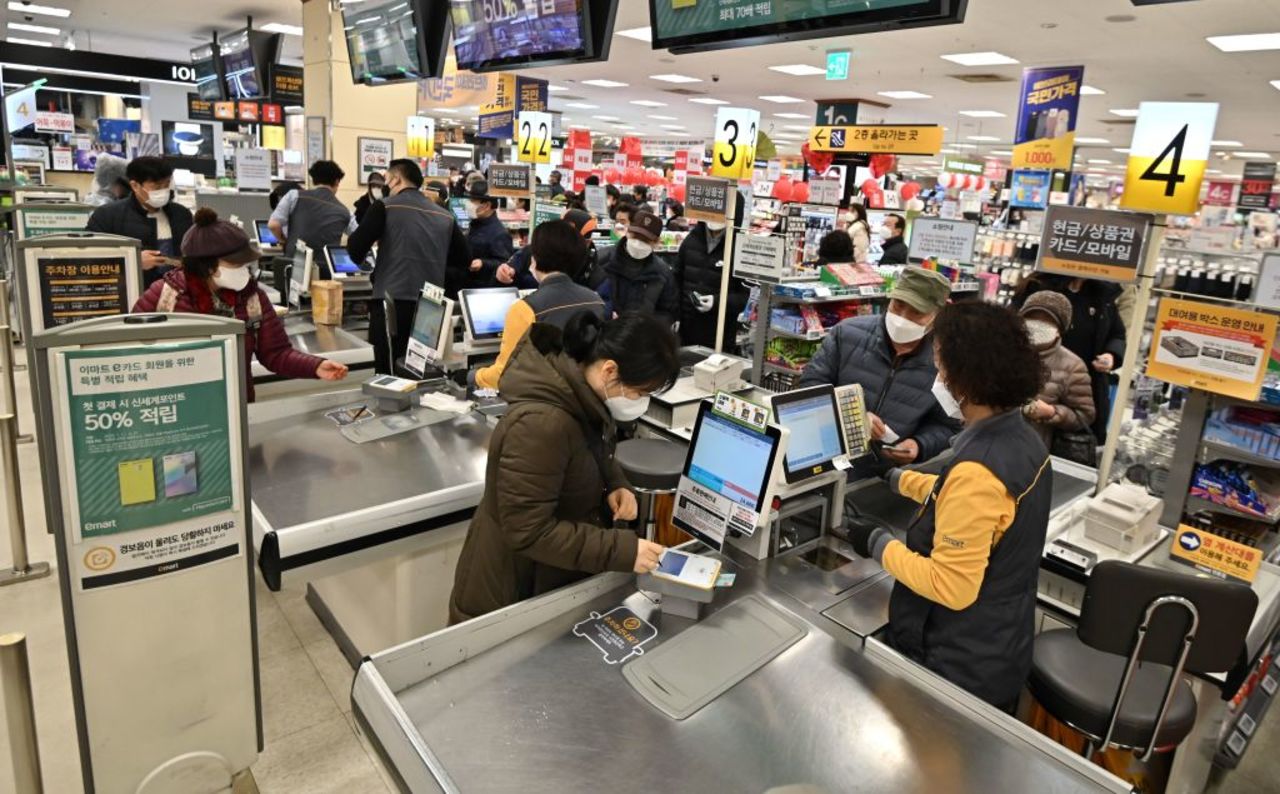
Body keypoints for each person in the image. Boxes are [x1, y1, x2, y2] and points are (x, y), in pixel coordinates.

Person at [846, 301, 1050, 711]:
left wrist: (877, 542)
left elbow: (950, 586)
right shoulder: (1021, 439)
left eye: (941, 367)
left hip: (956, 665)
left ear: (966, 379)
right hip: (998, 645)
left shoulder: (980, 469)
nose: (938, 377)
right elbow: (959, 497)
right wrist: (896, 478)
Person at [449, 312, 681, 623]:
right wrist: (622, 550)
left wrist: (615, 482)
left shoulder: (580, 395)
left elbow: (588, 450)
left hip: (546, 579)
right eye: (640, 393)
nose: (640, 401)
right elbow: (529, 531)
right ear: (610, 370)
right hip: (509, 593)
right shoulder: (541, 424)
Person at [132, 209, 348, 401]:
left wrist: (315, 366)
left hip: (235, 406)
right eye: (235, 264)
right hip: (174, 410)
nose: (243, 270)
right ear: (208, 265)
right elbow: (132, 353)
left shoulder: (252, 297)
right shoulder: (165, 296)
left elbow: (276, 353)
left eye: (245, 264)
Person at [800, 266, 960, 470]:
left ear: (939, 314)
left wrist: (919, 445)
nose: (903, 318)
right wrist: (852, 417)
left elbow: (948, 424)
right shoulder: (847, 334)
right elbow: (809, 386)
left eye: (917, 312)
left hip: (883, 476)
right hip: (826, 460)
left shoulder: (943, 361)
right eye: (898, 305)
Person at [347, 158, 471, 374]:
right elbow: (464, 259)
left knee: (388, 371)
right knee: (421, 370)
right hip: (430, 305)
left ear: (396, 179)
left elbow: (356, 249)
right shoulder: (444, 216)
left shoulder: (385, 206)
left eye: (386, 179)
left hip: (391, 302)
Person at [473, 220, 606, 390]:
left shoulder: (525, 309)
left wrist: (473, 376)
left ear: (535, 257)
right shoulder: (596, 300)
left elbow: (505, 374)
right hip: (586, 399)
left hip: (543, 399)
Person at [1012, 274, 1125, 442]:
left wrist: (1112, 354)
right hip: (1031, 372)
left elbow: (1117, 333)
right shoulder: (1038, 286)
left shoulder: (1101, 294)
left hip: (1077, 381)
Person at [86, 156, 193, 288]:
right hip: (131, 291)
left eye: (166, 184)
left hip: (175, 292)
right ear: (135, 186)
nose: (163, 191)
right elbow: (89, 257)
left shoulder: (182, 214)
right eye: (157, 186)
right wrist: (133, 261)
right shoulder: (107, 216)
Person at [1018, 291, 1096, 455]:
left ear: (1059, 329)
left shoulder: (1072, 366)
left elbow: (1085, 415)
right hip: (986, 439)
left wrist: (1053, 412)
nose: (1037, 325)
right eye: (1032, 318)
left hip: (1031, 451)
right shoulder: (1002, 349)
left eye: (1046, 321)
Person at [673, 215, 748, 351]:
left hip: (720, 333)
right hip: (686, 329)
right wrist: (675, 315)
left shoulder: (740, 247)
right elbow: (675, 280)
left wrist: (717, 302)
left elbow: (745, 296)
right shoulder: (691, 240)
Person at [597, 208, 678, 326]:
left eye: (646, 240)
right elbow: (587, 298)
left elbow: (668, 312)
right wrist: (606, 315)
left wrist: (646, 325)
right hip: (603, 335)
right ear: (628, 231)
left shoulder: (663, 273)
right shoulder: (603, 260)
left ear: (656, 242)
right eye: (635, 236)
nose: (639, 243)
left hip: (640, 339)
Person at [268, 159, 357, 258]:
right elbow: (360, 236)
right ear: (336, 181)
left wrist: (284, 241)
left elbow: (273, 225)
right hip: (326, 268)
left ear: (313, 179)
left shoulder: (294, 195)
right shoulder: (345, 212)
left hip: (294, 264)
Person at [497, 208, 598, 290]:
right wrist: (503, 272)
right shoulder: (536, 248)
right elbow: (510, 268)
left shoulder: (590, 263)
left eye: (587, 241)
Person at [463, 179, 515, 288]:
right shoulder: (476, 223)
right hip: (467, 283)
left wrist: (483, 263)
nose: (468, 204)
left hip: (482, 289)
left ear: (486, 206)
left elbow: (505, 263)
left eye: (473, 201)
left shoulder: (499, 233)